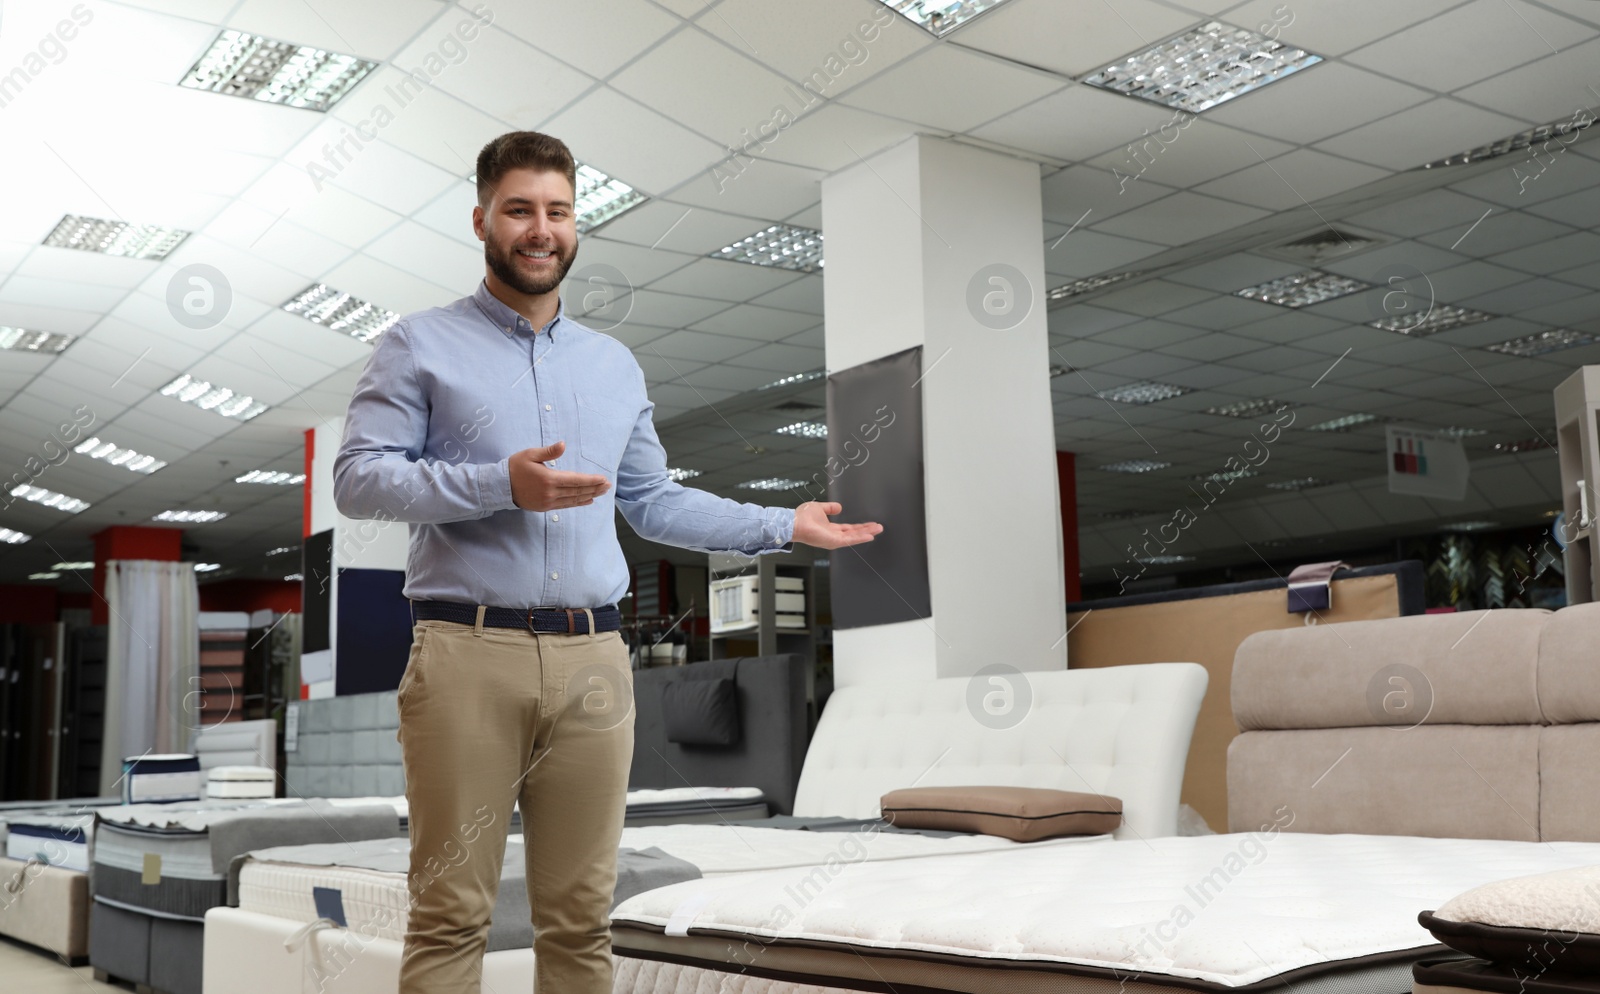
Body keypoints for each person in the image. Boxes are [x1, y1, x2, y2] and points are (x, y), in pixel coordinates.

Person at [333, 130, 882, 994]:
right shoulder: (418, 344)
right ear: (482, 219)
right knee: (451, 914)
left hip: (595, 661)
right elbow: (360, 481)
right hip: (468, 654)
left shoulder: (613, 365)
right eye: (519, 210)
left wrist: (783, 524)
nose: (539, 228)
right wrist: (497, 484)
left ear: (576, 225)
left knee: (584, 919)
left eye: (556, 211)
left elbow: (655, 500)